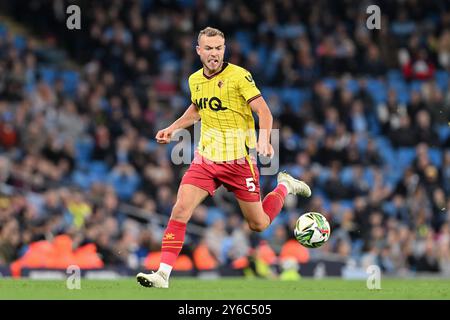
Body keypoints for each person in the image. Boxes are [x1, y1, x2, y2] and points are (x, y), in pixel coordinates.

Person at [136, 27, 311, 288]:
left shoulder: (240, 76)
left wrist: (264, 139)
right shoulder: (194, 80)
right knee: (181, 208)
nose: (214, 53)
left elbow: (264, 112)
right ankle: (163, 274)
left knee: (259, 224)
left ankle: (284, 185)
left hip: (240, 162)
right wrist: (173, 128)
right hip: (206, 160)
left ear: (224, 49)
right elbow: (197, 109)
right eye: (208, 48)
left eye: (218, 48)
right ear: (199, 51)